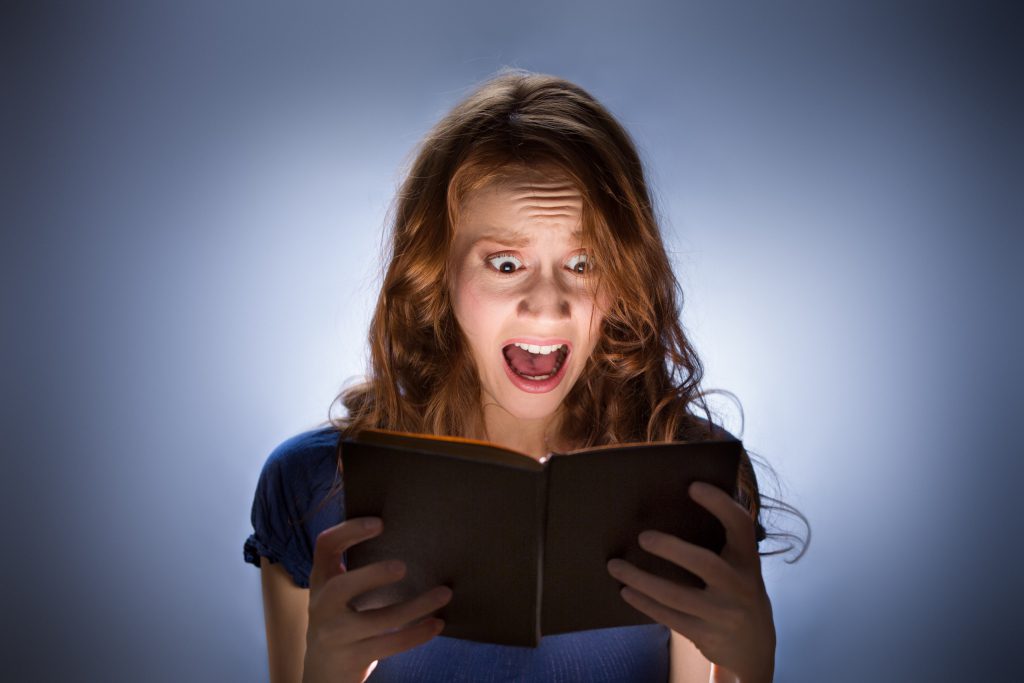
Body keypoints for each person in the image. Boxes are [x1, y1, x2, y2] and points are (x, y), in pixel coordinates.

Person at [243, 69, 806, 683]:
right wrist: (326, 673)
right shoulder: (313, 488)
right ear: (437, 272)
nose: (548, 305)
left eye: (583, 262)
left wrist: (752, 666)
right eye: (506, 263)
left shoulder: (693, 486)